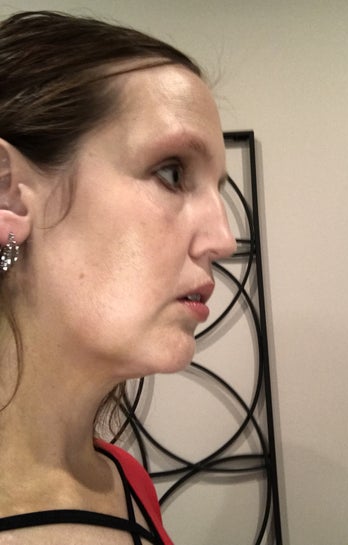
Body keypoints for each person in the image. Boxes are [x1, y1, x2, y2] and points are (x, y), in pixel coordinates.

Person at [0, 10, 236, 545]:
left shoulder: (124, 478)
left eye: (217, 188)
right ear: (7, 194)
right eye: (172, 172)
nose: (223, 239)